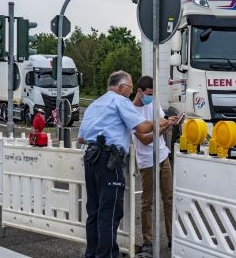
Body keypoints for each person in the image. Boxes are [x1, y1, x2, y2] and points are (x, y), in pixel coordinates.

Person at [77, 70, 167, 258]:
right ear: (122, 87)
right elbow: (142, 127)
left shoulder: (94, 104)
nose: (131, 91)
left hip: (91, 158)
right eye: (131, 87)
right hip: (109, 161)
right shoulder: (120, 101)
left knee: (94, 211)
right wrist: (159, 121)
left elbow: (81, 139)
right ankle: (107, 255)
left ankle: (92, 254)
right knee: (109, 213)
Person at [132, 76, 179, 254]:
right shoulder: (131, 111)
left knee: (168, 198)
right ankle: (148, 241)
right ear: (140, 91)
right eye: (148, 94)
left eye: (152, 94)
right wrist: (159, 126)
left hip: (163, 155)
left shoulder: (154, 104)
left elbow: (161, 126)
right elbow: (143, 140)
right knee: (147, 202)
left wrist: (169, 124)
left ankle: (172, 237)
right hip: (146, 161)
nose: (150, 98)